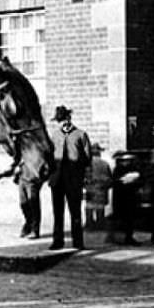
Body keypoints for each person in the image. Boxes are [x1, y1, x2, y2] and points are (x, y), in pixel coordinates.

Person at [49, 105, 91, 250]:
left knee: (75, 212)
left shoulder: (81, 135)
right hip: (57, 180)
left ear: (69, 118)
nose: (61, 123)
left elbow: (87, 159)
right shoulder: (54, 135)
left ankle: (78, 242)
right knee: (57, 212)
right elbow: (49, 157)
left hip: (74, 180)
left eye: (62, 119)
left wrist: (84, 176)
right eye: (58, 121)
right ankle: (57, 241)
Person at [83, 143, 113, 230]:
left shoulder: (87, 163)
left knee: (89, 205)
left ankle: (89, 223)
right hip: (102, 187)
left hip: (90, 187)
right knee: (100, 206)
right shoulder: (105, 164)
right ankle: (100, 223)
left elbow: (83, 176)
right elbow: (110, 177)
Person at [15, 159, 42, 239]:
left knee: (33, 203)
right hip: (22, 176)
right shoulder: (22, 147)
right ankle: (28, 223)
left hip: (32, 177)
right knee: (23, 203)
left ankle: (35, 229)